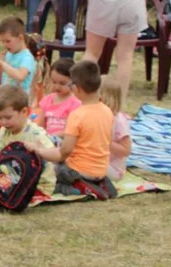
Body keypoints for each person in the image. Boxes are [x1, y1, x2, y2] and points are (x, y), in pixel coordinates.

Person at [34, 60, 116, 197]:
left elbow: (64, 153)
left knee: (45, 172)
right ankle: (98, 184)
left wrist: (38, 151)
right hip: (101, 170)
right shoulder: (107, 111)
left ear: (77, 88)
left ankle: (76, 188)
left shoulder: (77, 115)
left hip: (77, 171)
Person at [0, 86, 56, 196]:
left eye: (8, 117)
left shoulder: (35, 134)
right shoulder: (5, 131)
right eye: (0, 118)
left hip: (38, 184)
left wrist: (38, 149)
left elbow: (53, 154)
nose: (4, 122)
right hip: (16, 178)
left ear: (25, 111)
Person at [0, 16, 37, 96]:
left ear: (20, 38)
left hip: (18, 100)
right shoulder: (9, 54)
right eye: (2, 41)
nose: (4, 45)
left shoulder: (27, 57)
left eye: (8, 41)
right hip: (5, 95)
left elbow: (20, 76)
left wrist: (3, 64)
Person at [36, 58, 81, 138]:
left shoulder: (75, 103)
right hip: (47, 140)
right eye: (54, 82)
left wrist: (52, 136)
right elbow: (41, 125)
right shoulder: (48, 100)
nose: (57, 86)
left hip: (64, 143)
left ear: (73, 81)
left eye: (62, 83)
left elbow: (71, 130)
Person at [101, 77, 131, 182]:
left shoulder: (119, 121)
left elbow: (126, 151)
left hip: (112, 169)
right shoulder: (93, 116)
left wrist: (107, 142)